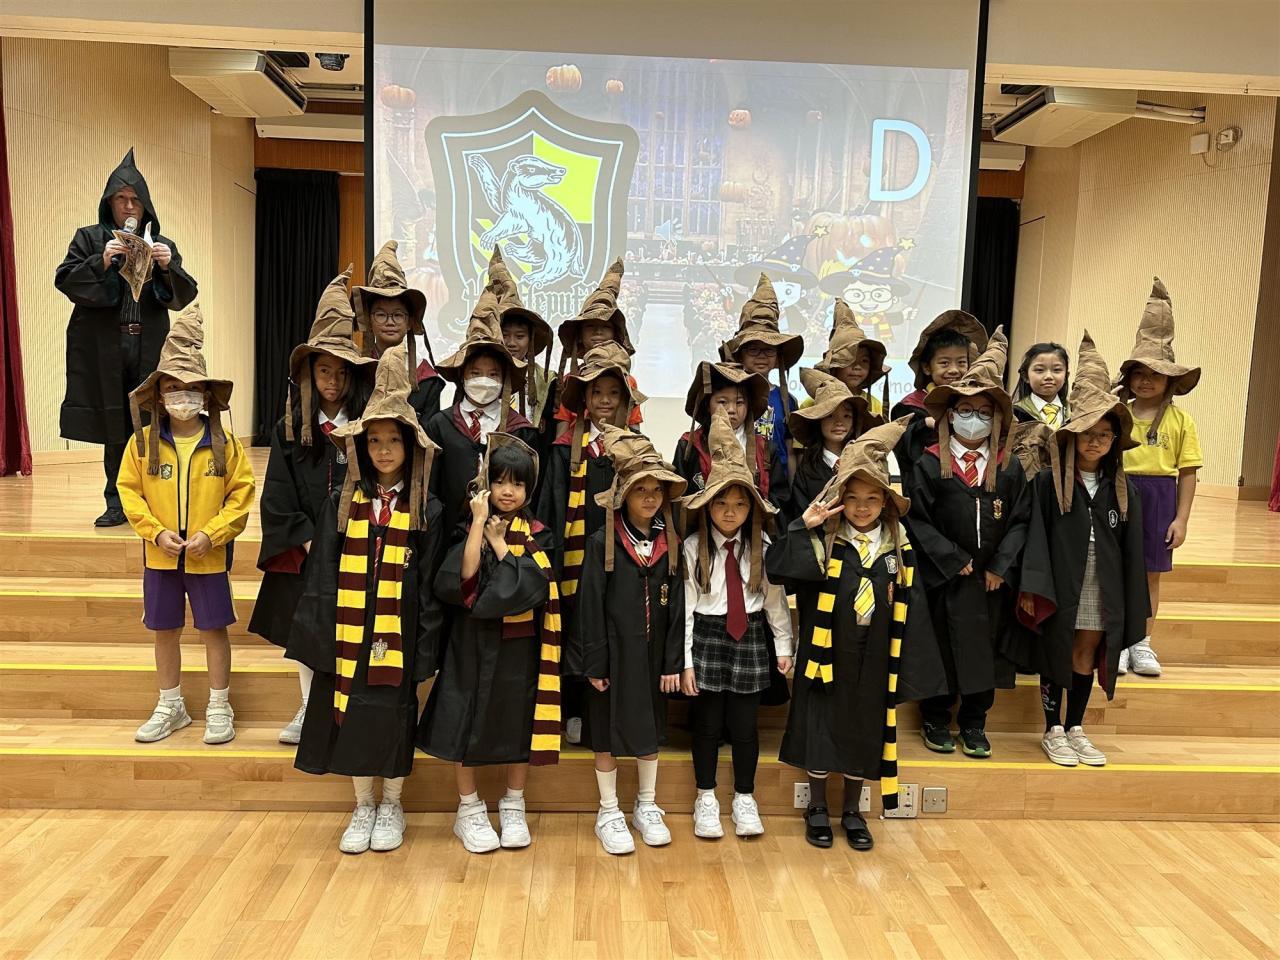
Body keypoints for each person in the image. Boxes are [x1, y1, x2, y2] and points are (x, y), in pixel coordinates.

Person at [286, 341, 445, 854]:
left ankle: (392, 803)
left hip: (399, 632)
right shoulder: (343, 502)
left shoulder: (427, 509)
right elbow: (322, 576)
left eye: (393, 439)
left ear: (410, 445)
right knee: (351, 715)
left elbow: (430, 587)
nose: (383, 449)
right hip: (350, 632)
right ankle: (363, 805)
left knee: (393, 716)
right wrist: (322, 637)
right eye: (373, 439)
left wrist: (425, 647)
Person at [768, 418, 944, 849]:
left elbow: (913, 609)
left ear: (885, 502)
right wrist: (802, 526)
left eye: (872, 499)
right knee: (820, 728)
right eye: (852, 498)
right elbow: (777, 570)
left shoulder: (898, 547)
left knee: (863, 732)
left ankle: (851, 809)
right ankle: (816, 807)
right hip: (827, 654)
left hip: (875, 653)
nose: (862, 508)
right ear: (839, 500)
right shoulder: (824, 541)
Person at [116, 304, 255, 745]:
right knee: (165, 630)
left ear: (207, 396)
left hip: (208, 558)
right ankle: (170, 704)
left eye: (192, 389)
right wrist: (155, 532)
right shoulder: (141, 444)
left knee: (214, 629)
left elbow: (241, 495)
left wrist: (212, 535)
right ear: (158, 396)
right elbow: (129, 492)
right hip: (160, 558)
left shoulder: (225, 443)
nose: (182, 397)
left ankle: (219, 704)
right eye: (173, 388)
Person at [418, 434, 562, 854]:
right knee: (465, 719)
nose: (507, 491)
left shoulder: (540, 535)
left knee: (519, 722)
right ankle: (469, 808)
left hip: (521, 647)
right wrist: (480, 525)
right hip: (471, 641)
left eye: (517, 483)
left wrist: (500, 544)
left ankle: (514, 803)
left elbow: (530, 590)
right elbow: (463, 583)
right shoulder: (468, 527)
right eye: (499, 481)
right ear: (486, 484)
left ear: (529, 489)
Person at [249, 269, 375, 744]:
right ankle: (308, 707)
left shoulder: (368, 426)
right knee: (306, 629)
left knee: (356, 627)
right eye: (324, 371)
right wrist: (308, 540)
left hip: (359, 546)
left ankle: (352, 709)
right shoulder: (290, 429)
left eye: (342, 372)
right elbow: (278, 493)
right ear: (309, 373)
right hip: (307, 552)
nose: (333, 381)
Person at [1017, 332, 1149, 768]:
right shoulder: (1047, 483)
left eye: (1104, 435)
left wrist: (1130, 600)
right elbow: (1035, 536)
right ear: (1071, 437)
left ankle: (1075, 726)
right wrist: (1033, 585)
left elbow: (1131, 552)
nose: (1095, 442)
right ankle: (1052, 729)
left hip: (1100, 582)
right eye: (1088, 434)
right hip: (1058, 579)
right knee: (1056, 649)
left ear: (1114, 442)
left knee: (1086, 652)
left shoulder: (1124, 491)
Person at [56, 147, 199, 527]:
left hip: (148, 344)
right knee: (114, 424)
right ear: (109, 203)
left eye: (135, 199)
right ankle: (116, 501)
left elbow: (182, 296)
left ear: (145, 204)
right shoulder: (89, 239)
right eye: (121, 198)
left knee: (151, 422)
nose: (129, 206)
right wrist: (102, 260)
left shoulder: (161, 243)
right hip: (105, 347)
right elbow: (66, 281)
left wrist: (167, 266)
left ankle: (155, 499)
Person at [907, 327, 1031, 758]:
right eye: (964, 410)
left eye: (983, 411)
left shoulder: (1008, 467)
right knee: (940, 645)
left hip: (990, 581)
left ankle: (975, 722)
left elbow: (1020, 520)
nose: (973, 418)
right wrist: (950, 557)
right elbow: (916, 519)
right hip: (944, 578)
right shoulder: (929, 465)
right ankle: (936, 718)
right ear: (949, 414)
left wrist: (1000, 565)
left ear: (996, 418)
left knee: (985, 650)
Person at [678, 411, 794, 840]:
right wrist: (685, 661)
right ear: (707, 505)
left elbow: (775, 602)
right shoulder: (693, 547)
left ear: (752, 508)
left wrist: (783, 645)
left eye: (740, 504)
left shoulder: (762, 546)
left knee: (745, 728)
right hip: (706, 638)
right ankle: (705, 797)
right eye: (721, 504)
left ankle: (745, 797)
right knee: (708, 725)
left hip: (750, 639)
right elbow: (686, 609)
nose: (730, 513)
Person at [571, 427, 687, 854]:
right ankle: (608, 810)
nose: (650, 497)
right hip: (612, 658)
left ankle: (647, 804)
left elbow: (677, 608)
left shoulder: (670, 543)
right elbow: (589, 606)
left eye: (656, 490)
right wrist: (595, 663)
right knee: (605, 734)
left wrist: (672, 662)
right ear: (623, 494)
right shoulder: (602, 542)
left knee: (649, 731)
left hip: (652, 658)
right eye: (641, 489)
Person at [535, 341, 643, 745]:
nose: (605, 401)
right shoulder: (565, 449)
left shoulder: (637, 449)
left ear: (626, 400)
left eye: (614, 393)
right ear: (584, 398)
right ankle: (574, 710)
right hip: (575, 559)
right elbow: (551, 505)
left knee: (613, 625)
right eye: (597, 392)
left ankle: (610, 711)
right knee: (574, 627)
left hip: (622, 557)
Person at [1115, 278, 1202, 678]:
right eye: (1139, 373)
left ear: (1170, 380)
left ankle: (1142, 642)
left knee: (1150, 572)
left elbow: (1188, 473)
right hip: (1119, 492)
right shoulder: (1116, 414)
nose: (1146, 380)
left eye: (1155, 374)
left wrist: (1181, 519)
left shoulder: (1182, 422)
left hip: (1160, 496)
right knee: (1116, 570)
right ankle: (1118, 639)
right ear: (1129, 377)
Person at [425, 278, 538, 539]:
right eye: (475, 373)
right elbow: (431, 487)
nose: (484, 380)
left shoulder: (521, 431)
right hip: (449, 535)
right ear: (462, 375)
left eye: (493, 374)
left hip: (506, 537)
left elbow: (531, 490)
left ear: (505, 379)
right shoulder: (440, 425)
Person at [673, 360, 788, 516]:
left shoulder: (765, 448)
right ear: (707, 405)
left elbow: (779, 499)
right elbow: (678, 497)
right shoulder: (690, 445)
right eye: (722, 402)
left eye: (739, 402)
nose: (732, 410)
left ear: (748, 406)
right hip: (702, 528)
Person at [719, 274, 805, 477]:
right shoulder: (726, 397)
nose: (761, 356)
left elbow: (790, 452)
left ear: (778, 356)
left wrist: (791, 490)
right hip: (734, 480)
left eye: (769, 350)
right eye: (753, 349)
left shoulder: (787, 401)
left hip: (777, 485)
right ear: (740, 353)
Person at [351, 240, 445, 425]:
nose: (390, 322)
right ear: (369, 320)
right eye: (381, 315)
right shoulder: (355, 372)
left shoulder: (427, 380)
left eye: (397, 315)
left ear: (410, 322)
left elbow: (429, 435)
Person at [890, 310, 988, 481]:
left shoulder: (978, 403)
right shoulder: (910, 408)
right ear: (927, 367)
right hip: (926, 487)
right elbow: (908, 452)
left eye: (961, 362)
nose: (954, 370)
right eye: (944, 363)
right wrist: (923, 425)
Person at [553, 258, 644, 432]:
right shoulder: (570, 380)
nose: (598, 332)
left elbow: (634, 428)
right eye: (590, 326)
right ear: (580, 335)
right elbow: (562, 427)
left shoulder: (627, 380)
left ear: (615, 335)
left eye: (606, 327)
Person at [487, 247, 557, 454]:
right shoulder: (480, 375)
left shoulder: (546, 381)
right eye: (505, 335)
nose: (511, 343)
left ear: (531, 340)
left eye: (519, 336)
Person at [788, 367, 873, 518]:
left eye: (846, 416)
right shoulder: (807, 470)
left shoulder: (867, 462)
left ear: (854, 422)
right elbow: (799, 516)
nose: (839, 422)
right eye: (830, 416)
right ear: (818, 421)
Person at [814, 298, 891, 418]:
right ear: (833, 365)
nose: (857, 367)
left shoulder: (875, 404)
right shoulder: (814, 402)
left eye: (864, 360)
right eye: (849, 360)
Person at [1013, 342, 1071, 428]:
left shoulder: (1075, 412)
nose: (1048, 376)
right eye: (1039, 370)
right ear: (1025, 376)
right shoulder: (1015, 413)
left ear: (1066, 376)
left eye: (1056, 370)